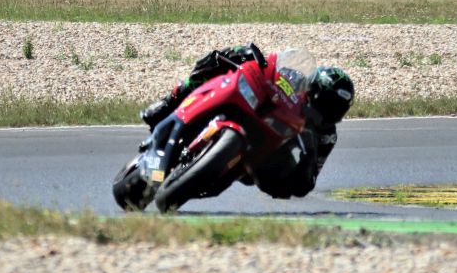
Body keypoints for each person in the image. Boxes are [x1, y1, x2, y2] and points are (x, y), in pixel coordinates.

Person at [140, 45, 354, 199]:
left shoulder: (326, 136)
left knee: (285, 186)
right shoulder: (295, 79)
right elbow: (270, 69)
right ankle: (169, 101)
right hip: (255, 108)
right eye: (326, 103)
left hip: (266, 153)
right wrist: (249, 56)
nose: (327, 113)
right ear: (313, 89)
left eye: (336, 109)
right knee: (222, 57)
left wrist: (308, 158)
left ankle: (210, 173)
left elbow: (307, 184)